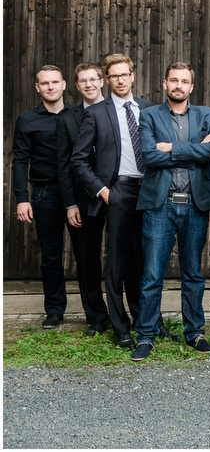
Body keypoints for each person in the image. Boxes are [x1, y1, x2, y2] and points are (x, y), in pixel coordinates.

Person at [72, 54, 176, 349]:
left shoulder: (150, 109)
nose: (120, 80)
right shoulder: (96, 113)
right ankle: (120, 327)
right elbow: (78, 160)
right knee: (116, 264)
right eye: (114, 76)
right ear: (107, 80)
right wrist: (103, 190)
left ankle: (149, 322)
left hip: (150, 189)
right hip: (119, 190)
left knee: (146, 261)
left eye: (124, 74)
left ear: (132, 76)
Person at [130, 62, 210, 361]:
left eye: (184, 81)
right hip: (160, 204)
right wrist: (194, 148)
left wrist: (170, 147)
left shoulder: (207, 115)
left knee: (193, 273)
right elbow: (149, 156)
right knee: (152, 274)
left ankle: (195, 333)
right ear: (165, 83)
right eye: (174, 80)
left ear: (191, 86)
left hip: (195, 204)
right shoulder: (149, 115)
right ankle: (146, 335)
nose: (179, 85)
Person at [14, 65, 74, 329]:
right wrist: (22, 198)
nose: (51, 87)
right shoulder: (27, 120)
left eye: (55, 82)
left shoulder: (78, 115)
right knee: (51, 255)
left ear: (64, 85)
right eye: (45, 83)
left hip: (76, 195)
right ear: (37, 88)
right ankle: (55, 310)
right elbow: (19, 160)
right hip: (44, 194)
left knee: (86, 254)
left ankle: (95, 313)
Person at [56, 62, 109, 335]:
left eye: (92, 79)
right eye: (83, 81)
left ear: (102, 81)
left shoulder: (116, 110)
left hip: (116, 195)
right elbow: (64, 165)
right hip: (83, 199)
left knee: (127, 255)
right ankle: (96, 317)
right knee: (87, 259)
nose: (88, 84)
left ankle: (131, 313)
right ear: (76, 86)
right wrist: (70, 203)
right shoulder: (67, 119)